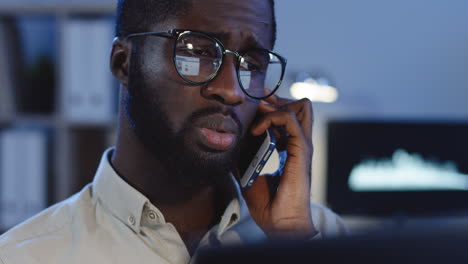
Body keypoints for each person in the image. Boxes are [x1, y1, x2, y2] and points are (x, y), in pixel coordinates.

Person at [0, 0, 348, 263]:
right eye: (196, 51)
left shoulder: (320, 237)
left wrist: (291, 240)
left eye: (252, 64)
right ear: (125, 62)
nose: (232, 90)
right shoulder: (25, 256)